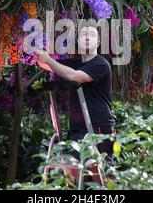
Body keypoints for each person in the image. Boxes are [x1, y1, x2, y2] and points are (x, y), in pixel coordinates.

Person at [35, 24, 115, 161]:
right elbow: (46, 64)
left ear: (99, 43)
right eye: (84, 34)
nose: (88, 37)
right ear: (78, 41)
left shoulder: (101, 64)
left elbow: (75, 76)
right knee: (75, 177)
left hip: (98, 129)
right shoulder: (74, 64)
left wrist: (48, 59)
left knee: (99, 175)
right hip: (77, 130)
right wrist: (40, 50)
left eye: (92, 35)